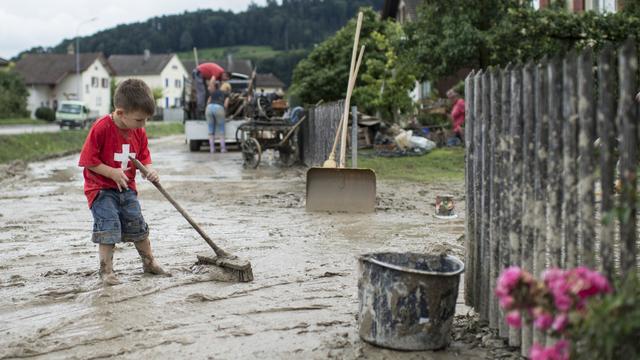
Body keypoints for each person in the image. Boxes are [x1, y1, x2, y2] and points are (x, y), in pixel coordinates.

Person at [78, 79, 167, 286]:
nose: (143, 125)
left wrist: (150, 171)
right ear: (120, 113)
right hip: (100, 190)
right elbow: (88, 161)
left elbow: (144, 157)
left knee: (138, 225)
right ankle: (106, 271)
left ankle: (149, 262)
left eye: (146, 120)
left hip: (127, 189)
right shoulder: (101, 128)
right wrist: (111, 172)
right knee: (108, 228)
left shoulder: (138, 131)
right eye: (139, 120)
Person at [205, 80, 231, 153]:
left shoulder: (213, 92)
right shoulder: (227, 94)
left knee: (210, 130)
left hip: (209, 108)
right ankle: (223, 149)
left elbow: (208, 102)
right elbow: (226, 105)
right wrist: (225, 112)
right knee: (221, 129)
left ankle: (212, 149)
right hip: (219, 108)